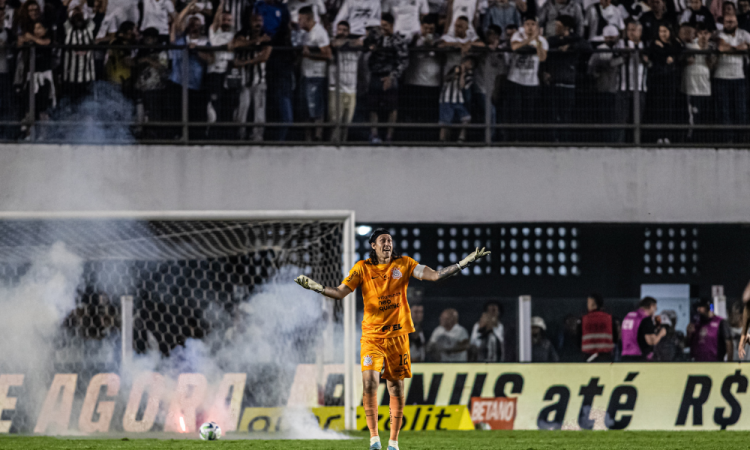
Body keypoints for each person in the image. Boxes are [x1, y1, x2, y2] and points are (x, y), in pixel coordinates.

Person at [295, 228, 488, 450]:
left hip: (398, 337)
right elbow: (340, 292)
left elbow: (435, 275)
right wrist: (315, 287)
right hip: (372, 337)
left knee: (395, 388)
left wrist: (464, 262)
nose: (387, 243)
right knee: (369, 384)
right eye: (382, 240)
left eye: (389, 240)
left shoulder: (404, 264)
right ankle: (374, 439)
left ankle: (394, 443)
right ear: (373, 246)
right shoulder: (362, 268)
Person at [364, 12, 409, 144]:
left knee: (392, 107)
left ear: (392, 25)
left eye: (385, 26)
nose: (383, 29)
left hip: (390, 75)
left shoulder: (398, 40)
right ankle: (374, 135)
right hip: (375, 75)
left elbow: (404, 61)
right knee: (373, 107)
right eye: (381, 25)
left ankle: (389, 136)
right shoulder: (376, 37)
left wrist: (392, 76)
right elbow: (366, 46)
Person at [545, 14, 591, 142]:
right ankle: (554, 140)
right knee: (553, 115)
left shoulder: (575, 39)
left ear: (566, 27)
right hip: (554, 81)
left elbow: (587, 46)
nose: (555, 28)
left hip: (568, 82)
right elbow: (547, 46)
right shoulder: (553, 40)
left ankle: (565, 140)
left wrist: (570, 46)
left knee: (566, 115)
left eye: (558, 26)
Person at [232, 13, 272, 141]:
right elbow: (236, 44)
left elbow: (264, 56)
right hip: (244, 80)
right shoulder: (243, 34)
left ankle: (257, 136)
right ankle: (240, 134)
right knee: (243, 108)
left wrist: (245, 62)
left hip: (259, 79)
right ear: (249, 22)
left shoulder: (267, 35)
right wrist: (256, 41)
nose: (258, 23)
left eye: (260, 20)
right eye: (255, 21)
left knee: (259, 110)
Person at [507, 15, 548, 141]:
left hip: (531, 82)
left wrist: (537, 41)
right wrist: (529, 40)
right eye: (527, 24)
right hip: (515, 79)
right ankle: (514, 138)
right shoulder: (517, 36)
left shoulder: (542, 40)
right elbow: (514, 47)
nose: (530, 27)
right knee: (515, 111)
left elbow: (542, 57)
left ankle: (526, 139)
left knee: (528, 113)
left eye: (533, 24)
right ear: (523, 26)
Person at [401, 15, 441, 140]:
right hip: (414, 81)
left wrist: (433, 46)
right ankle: (410, 139)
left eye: (431, 28)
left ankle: (427, 139)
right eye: (426, 28)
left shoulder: (439, 40)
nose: (429, 31)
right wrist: (417, 39)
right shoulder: (414, 37)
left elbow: (442, 57)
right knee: (413, 113)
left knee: (428, 115)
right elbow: (405, 49)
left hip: (432, 83)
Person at [714, 14, 750, 143]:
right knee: (724, 111)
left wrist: (731, 48)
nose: (729, 24)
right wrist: (739, 48)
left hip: (739, 77)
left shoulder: (743, 33)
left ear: (736, 23)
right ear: (723, 23)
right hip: (721, 77)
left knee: (741, 110)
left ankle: (741, 140)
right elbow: (722, 47)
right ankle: (727, 140)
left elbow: (748, 46)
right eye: (727, 22)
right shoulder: (719, 34)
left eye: (732, 22)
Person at [298, 5, 332, 141]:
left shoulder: (320, 33)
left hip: (316, 75)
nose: (299, 22)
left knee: (316, 106)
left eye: (300, 19)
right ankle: (307, 137)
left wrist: (309, 55)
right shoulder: (305, 33)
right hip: (306, 74)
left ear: (308, 18)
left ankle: (318, 136)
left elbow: (327, 54)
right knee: (306, 107)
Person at [206, 1, 237, 140]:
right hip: (215, 73)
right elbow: (216, 20)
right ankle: (214, 136)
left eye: (229, 20)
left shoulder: (235, 34)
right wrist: (221, 4)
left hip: (229, 74)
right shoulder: (214, 32)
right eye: (224, 19)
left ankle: (229, 136)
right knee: (215, 107)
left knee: (229, 106)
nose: (226, 22)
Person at [646, 24, 680, 144]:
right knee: (658, 108)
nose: (662, 34)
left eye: (665, 31)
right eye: (660, 31)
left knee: (668, 108)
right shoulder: (654, 44)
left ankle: (667, 135)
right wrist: (665, 52)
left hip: (670, 80)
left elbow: (680, 51)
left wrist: (665, 50)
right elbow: (657, 56)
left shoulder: (675, 43)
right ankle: (658, 136)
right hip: (657, 80)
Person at [588, 24, 622, 143]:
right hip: (603, 89)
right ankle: (603, 140)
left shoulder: (620, 49)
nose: (610, 40)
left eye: (612, 38)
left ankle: (613, 140)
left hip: (616, 89)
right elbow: (592, 67)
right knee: (604, 117)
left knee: (615, 117)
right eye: (608, 37)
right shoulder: (600, 50)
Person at [614, 20, 647, 143]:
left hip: (640, 88)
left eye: (634, 30)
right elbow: (612, 62)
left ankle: (636, 144)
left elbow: (650, 64)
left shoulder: (645, 45)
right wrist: (624, 56)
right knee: (622, 119)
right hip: (623, 88)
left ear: (640, 31)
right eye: (629, 30)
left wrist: (644, 60)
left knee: (637, 120)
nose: (631, 33)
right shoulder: (620, 44)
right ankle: (620, 145)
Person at [681, 23, 714, 142]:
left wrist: (707, 52)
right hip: (691, 87)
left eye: (706, 33)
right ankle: (690, 139)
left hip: (705, 87)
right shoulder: (690, 47)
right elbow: (684, 61)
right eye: (701, 33)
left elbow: (712, 66)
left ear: (710, 34)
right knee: (691, 116)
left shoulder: (711, 48)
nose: (703, 36)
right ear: (697, 34)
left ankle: (703, 140)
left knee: (704, 116)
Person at [328, 20, 360, 142]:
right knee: (335, 124)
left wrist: (351, 42)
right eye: (339, 30)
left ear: (349, 32)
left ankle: (343, 149)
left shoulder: (355, 45)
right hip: (337, 89)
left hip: (351, 88)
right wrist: (350, 42)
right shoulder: (333, 43)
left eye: (344, 30)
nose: (341, 32)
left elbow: (363, 43)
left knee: (347, 125)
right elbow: (335, 44)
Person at [620, 296, 666, 361]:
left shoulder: (628, 315)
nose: (655, 312)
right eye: (655, 309)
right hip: (637, 355)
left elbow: (621, 335)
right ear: (651, 306)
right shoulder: (645, 319)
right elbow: (651, 341)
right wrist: (661, 333)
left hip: (624, 354)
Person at [438, 58, 473, 142]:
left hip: (458, 100)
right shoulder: (453, 69)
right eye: (469, 62)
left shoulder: (469, 75)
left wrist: (463, 73)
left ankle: (461, 138)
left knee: (466, 118)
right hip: (446, 99)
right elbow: (445, 79)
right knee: (445, 121)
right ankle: (442, 140)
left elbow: (462, 85)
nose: (470, 64)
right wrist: (456, 72)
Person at [578, 293, 617, 362]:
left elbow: (578, 338)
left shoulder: (583, 319)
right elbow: (615, 337)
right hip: (605, 356)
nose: (587, 305)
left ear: (593, 304)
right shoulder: (610, 318)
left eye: (588, 302)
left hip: (588, 356)